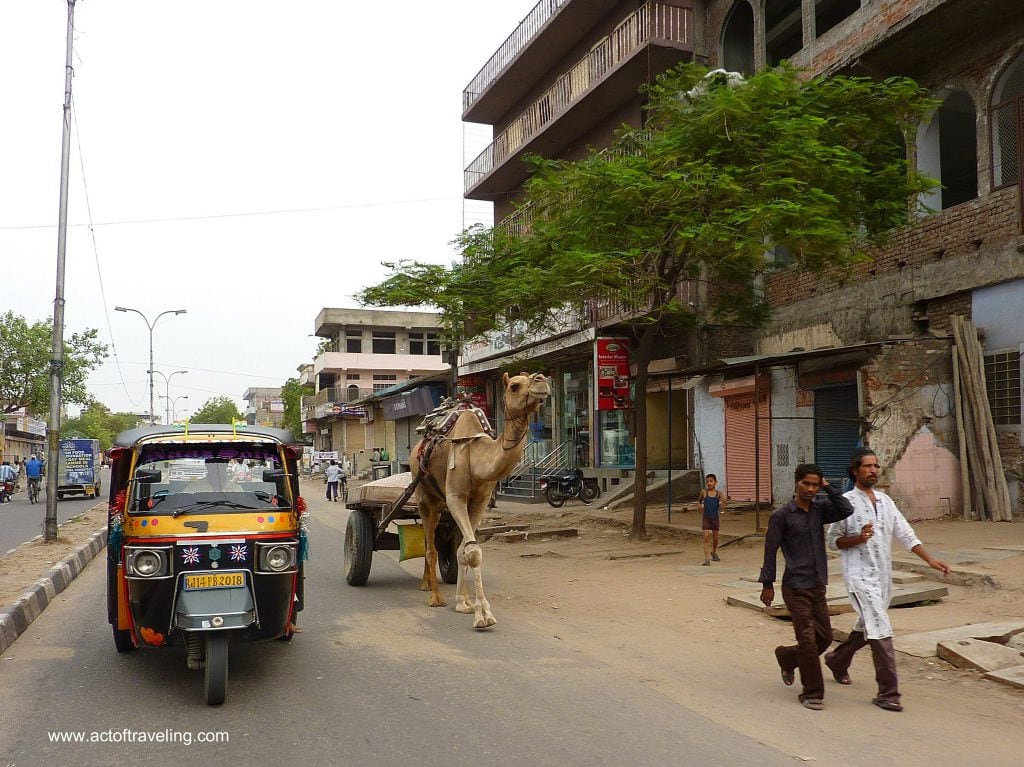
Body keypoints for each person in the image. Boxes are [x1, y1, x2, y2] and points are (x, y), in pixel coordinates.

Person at [825, 448, 950, 713]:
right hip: (858, 575)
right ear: (855, 470)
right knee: (880, 628)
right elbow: (833, 541)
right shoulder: (846, 503)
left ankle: (838, 659)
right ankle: (888, 692)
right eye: (867, 466)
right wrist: (857, 538)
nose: (873, 470)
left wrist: (930, 560)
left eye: (876, 466)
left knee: (868, 624)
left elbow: (906, 534)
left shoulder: (885, 502)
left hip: (882, 576)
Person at [759, 464, 854, 711]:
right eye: (806, 484)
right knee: (809, 641)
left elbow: (846, 508)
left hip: (817, 585)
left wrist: (827, 486)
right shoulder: (781, 516)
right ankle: (812, 693)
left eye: (815, 485)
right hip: (795, 587)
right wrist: (767, 584)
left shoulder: (819, 511)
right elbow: (770, 551)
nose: (811, 489)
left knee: (825, 638)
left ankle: (787, 657)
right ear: (796, 483)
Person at [698, 473, 725, 565]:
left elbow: (724, 506)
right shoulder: (704, 492)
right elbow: (699, 501)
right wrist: (699, 507)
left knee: (715, 539)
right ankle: (707, 559)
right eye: (707, 482)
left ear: (715, 482)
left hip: (715, 518)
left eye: (711, 481)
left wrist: (723, 504)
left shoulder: (719, 494)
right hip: (706, 517)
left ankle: (713, 552)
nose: (709, 483)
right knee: (706, 537)